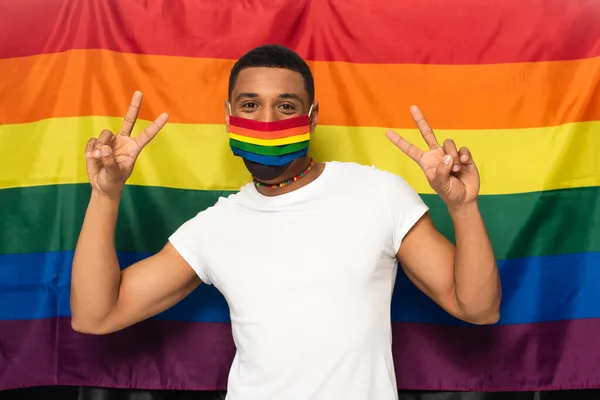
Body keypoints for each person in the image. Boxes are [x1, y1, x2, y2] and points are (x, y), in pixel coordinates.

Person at [71, 44, 501, 400]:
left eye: (286, 106)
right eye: (251, 105)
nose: (268, 122)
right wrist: (105, 195)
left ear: (312, 117)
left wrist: (463, 207)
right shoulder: (215, 227)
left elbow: (478, 307)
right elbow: (95, 315)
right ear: (228, 115)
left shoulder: (378, 194)